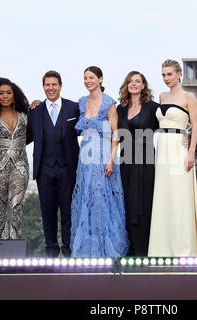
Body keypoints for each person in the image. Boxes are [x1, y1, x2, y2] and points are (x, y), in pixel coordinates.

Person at [148, 59, 197, 257]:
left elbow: (196, 126)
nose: (166, 78)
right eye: (163, 75)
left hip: (178, 149)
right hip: (163, 149)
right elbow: (157, 124)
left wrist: (191, 151)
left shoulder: (189, 97)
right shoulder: (162, 96)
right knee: (163, 198)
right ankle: (161, 249)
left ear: (179, 74)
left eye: (170, 74)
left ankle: (183, 249)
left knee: (179, 199)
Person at [70, 66, 130, 257]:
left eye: (92, 77)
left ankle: (106, 249)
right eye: (85, 78)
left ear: (101, 79)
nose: (88, 81)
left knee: (102, 200)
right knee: (86, 199)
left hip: (103, 155)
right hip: (85, 157)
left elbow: (116, 133)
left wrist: (111, 160)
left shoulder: (109, 103)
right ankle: (87, 249)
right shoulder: (82, 102)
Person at [26, 71, 80, 257]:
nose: (51, 88)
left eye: (54, 84)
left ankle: (68, 249)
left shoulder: (74, 108)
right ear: (43, 87)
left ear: (61, 85)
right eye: (47, 85)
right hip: (44, 169)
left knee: (68, 212)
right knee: (47, 212)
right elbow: (25, 137)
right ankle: (51, 251)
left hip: (68, 169)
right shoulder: (34, 111)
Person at [117, 71, 159, 256]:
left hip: (146, 161)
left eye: (138, 81)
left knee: (144, 204)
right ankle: (132, 248)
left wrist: (189, 138)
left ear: (143, 86)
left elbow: (175, 117)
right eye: (130, 81)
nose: (133, 84)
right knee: (128, 203)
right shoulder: (120, 109)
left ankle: (146, 249)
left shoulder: (152, 108)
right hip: (126, 161)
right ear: (126, 85)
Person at [0, 77, 30, 240]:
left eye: (8, 93)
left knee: (16, 204)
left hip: (21, 164)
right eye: (1, 93)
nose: (5, 96)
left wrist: (38, 104)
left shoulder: (25, 114)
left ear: (14, 94)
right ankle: (0, 245)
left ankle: (15, 245)